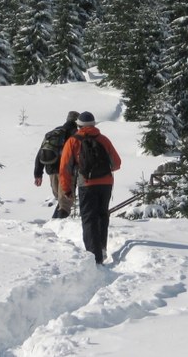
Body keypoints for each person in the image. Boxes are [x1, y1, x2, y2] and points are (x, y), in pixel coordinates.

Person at [59, 111, 121, 264]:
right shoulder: (103, 139)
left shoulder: (73, 141)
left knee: (89, 219)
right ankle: (102, 248)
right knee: (102, 215)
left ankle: (94, 257)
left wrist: (67, 190)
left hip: (86, 184)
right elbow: (117, 163)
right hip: (106, 184)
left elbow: (65, 169)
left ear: (78, 126)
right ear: (94, 125)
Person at [34, 111, 79, 218]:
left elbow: (40, 152)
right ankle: (58, 225)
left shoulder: (54, 132)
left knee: (60, 199)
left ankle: (55, 222)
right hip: (66, 171)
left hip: (51, 169)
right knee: (65, 202)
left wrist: (38, 174)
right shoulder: (74, 134)